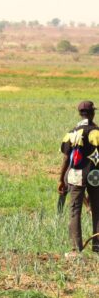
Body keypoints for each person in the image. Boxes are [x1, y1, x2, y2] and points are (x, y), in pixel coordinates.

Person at [58, 101, 99, 257]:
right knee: (97, 210)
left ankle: (76, 249)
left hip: (76, 176)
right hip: (96, 176)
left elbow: (66, 159)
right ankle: (98, 246)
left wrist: (61, 179)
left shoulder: (72, 133)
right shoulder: (97, 132)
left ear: (79, 113)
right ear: (93, 113)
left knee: (75, 211)